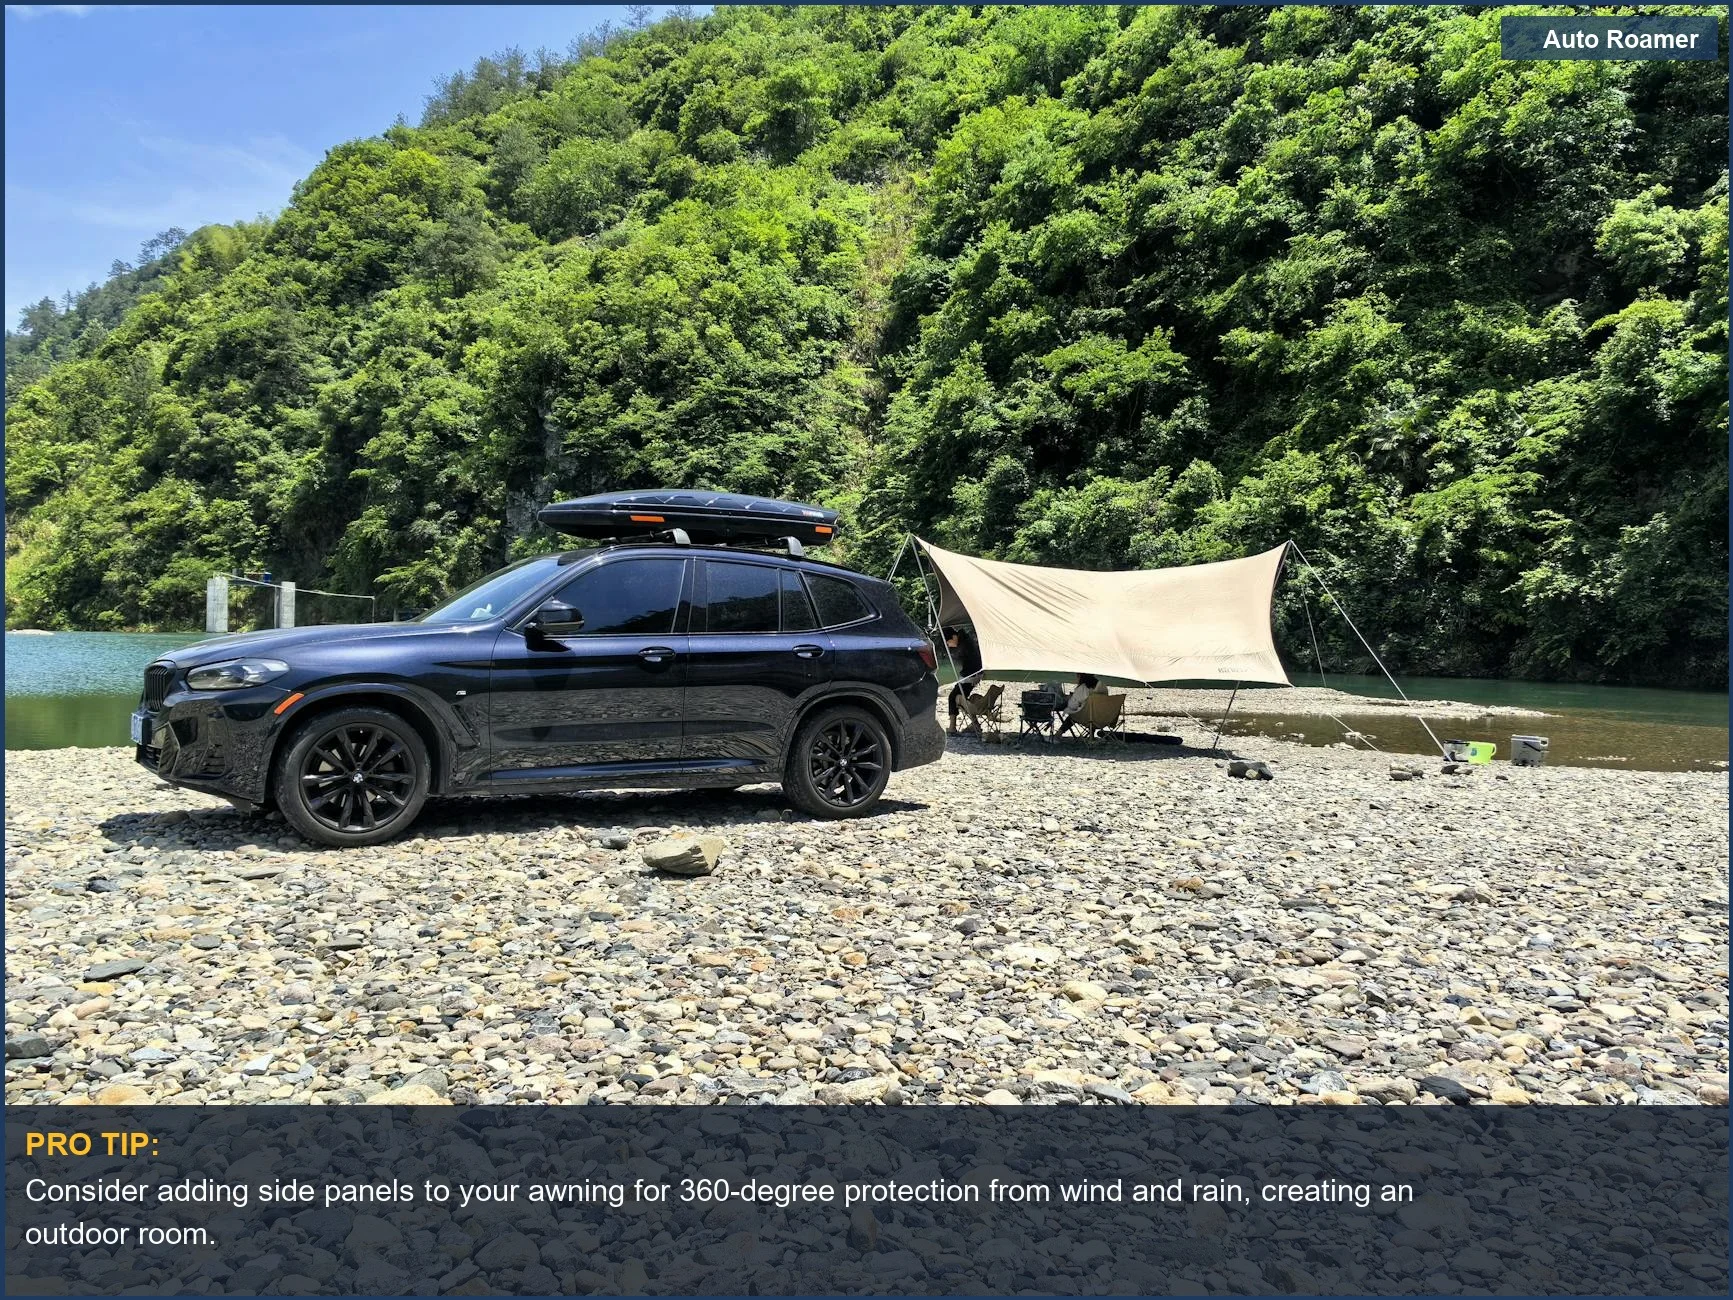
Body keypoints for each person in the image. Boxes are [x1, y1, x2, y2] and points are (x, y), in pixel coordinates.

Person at [943, 625, 984, 734]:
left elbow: (973, 662)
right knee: (960, 698)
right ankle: (975, 724)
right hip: (973, 675)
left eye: (948, 642)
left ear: (953, 637)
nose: (948, 644)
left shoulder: (964, 645)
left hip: (971, 676)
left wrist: (969, 677)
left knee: (954, 697)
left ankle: (953, 727)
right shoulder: (965, 641)